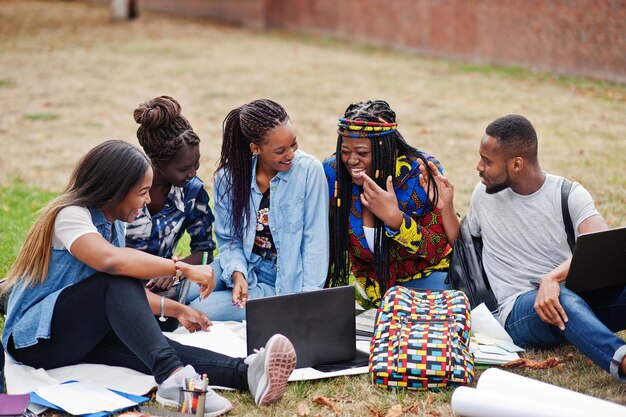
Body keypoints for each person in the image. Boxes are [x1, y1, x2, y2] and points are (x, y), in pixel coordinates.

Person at [1, 140, 297, 415]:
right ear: (114, 190)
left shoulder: (114, 226)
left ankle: (246, 373)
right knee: (128, 293)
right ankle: (171, 379)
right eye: (141, 192)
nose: (145, 201)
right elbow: (112, 265)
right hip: (34, 339)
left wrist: (179, 310)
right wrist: (181, 268)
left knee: (156, 347)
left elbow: (121, 299)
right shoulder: (71, 216)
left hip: (77, 336)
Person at [419, 114, 626, 382]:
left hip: (571, 299)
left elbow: (599, 244)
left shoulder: (568, 194)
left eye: (487, 161)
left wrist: (552, 278)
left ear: (517, 163)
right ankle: (621, 361)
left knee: (563, 296)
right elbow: (464, 245)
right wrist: (445, 207)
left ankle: (579, 322)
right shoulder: (483, 195)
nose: (478, 167)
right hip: (516, 312)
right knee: (561, 298)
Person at [189, 99, 329, 321]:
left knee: (197, 310)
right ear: (256, 148)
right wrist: (238, 275)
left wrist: (306, 302)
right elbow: (230, 240)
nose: (290, 154)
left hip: (282, 283)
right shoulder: (229, 178)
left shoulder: (309, 172)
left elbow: (315, 242)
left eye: (293, 144)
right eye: (280, 150)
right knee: (182, 294)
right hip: (243, 265)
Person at [323, 100, 452, 307]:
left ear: (386, 150)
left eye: (362, 153)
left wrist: (396, 220)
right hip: (371, 290)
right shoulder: (333, 176)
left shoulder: (418, 173)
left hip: (425, 280)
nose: (351, 160)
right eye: (345, 151)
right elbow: (325, 245)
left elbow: (437, 247)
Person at [126, 95, 215, 331]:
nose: (192, 173)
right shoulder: (123, 186)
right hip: (119, 283)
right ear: (156, 162)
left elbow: (205, 251)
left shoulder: (192, 192)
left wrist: (174, 271)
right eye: (184, 168)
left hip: (166, 286)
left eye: (196, 164)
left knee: (218, 293)